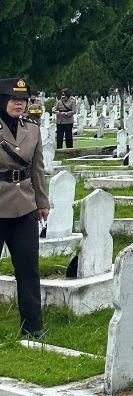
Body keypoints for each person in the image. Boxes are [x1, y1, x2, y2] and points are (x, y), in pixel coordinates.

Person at [0, 78, 48, 338]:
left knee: (29, 268)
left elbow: (37, 168)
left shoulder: (33, 129)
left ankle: (33, 326)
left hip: (25, 208)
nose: (19, 103)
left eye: (23, 99)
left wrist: (42, 202)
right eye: (13, 98)